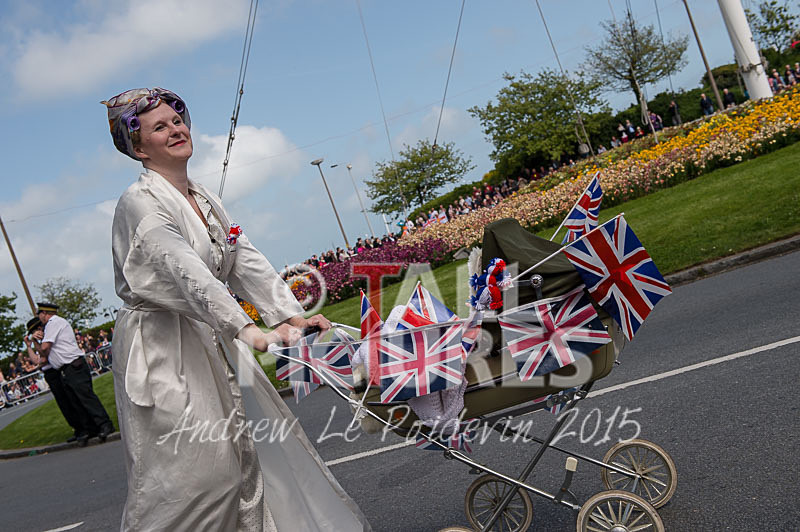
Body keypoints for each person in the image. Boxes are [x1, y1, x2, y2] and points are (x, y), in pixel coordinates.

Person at [103, 87, 369, 531]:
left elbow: (242, 258)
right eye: (159, 127)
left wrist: (287, 316)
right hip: (163, 351)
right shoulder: (139, 202)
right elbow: (183, 268)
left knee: (250, 458)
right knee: (195, 478)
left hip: (209, 338)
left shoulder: (203, 197)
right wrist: (248, 330)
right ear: (138, 147)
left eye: (177, 120)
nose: (175, 130)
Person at [28, 304, 114, 445]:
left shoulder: (53, 323)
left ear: (44, 313)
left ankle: (105, 424)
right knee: (76, 401)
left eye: (39, 314)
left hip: (73, 365)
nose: (39, 318)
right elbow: (42, 354)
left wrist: (36, 343)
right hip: (66, 368)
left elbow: (44, 349)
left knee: (86, 397)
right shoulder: (52, 324)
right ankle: (91, 428)